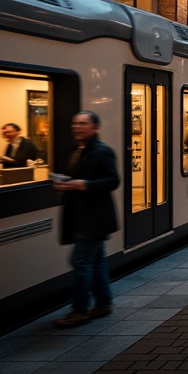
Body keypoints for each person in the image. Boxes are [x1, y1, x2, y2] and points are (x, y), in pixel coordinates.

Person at [51, 111, 120, 327]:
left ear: (95, 127)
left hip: (94, 218)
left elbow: (112, 181)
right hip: (80, 215)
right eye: (75, 123)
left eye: (83, 123)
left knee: (80, 261)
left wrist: (83, 185)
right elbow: (75, 175)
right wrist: (64, 182)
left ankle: (79, 310)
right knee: (97, 261)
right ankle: (103, 303)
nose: (77, 127)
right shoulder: (76, 150)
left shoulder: (102, 151)